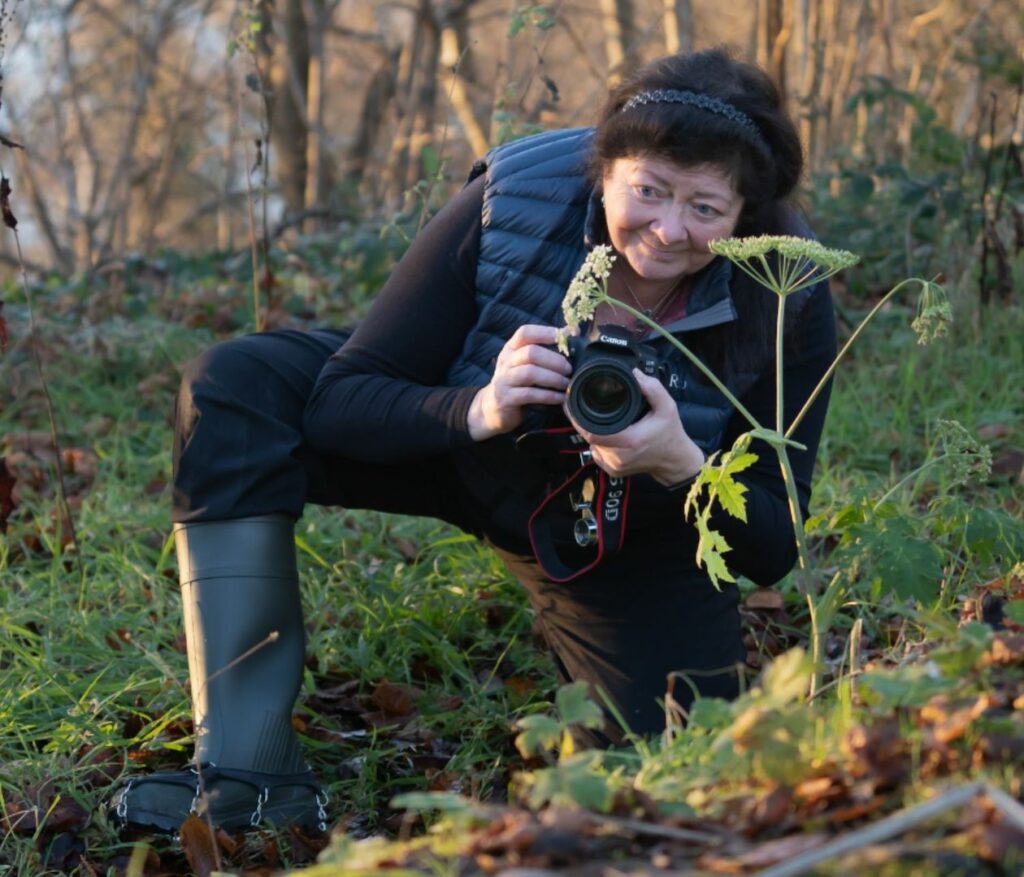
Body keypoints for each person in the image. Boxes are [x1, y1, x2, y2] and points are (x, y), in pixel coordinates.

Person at [111, 47, 836, 833]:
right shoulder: (515, 194)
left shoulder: (783, 286)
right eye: (648, 190)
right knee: (237, 384)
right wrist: (477, 408)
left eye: (704, 208)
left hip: (625, 529)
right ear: (604, 168)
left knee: (674, 776)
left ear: (747, 213)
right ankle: (248, 769)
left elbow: (772, 543)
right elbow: (341, 401)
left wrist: (680, 463)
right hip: (456, 445)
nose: (666, 230)